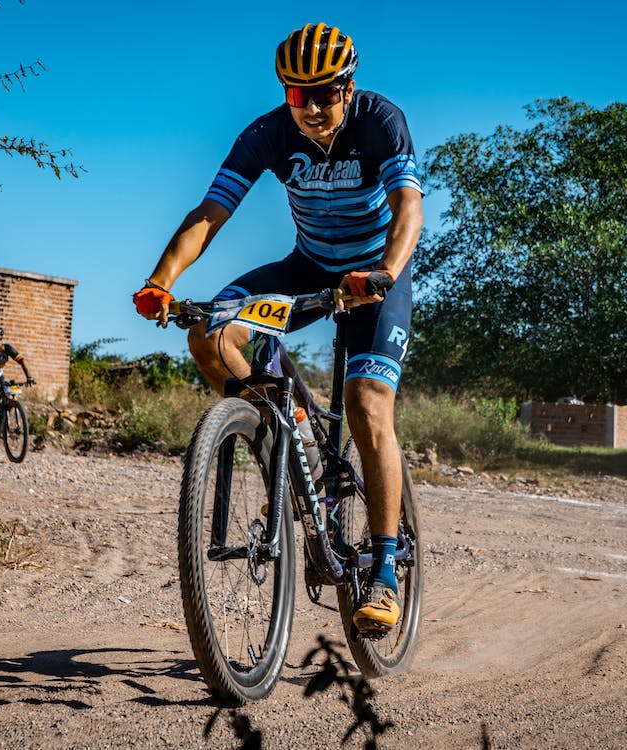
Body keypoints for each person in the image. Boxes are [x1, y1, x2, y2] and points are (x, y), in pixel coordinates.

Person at [132, 23, 423, 637]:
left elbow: (408, 208)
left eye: (325, 93)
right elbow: (210, 213)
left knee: (367, 402)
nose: (312, 109)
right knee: (208, 334)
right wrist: (160, 280)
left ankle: (386, 571)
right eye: (298, 96)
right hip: (307, 267)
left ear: (349, 86)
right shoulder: (267, 134)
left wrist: (385, 273)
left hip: (373, 277)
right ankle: (279, 450)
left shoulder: (381, 121)